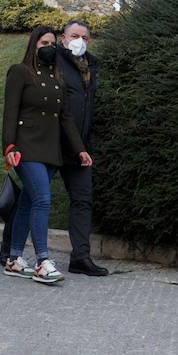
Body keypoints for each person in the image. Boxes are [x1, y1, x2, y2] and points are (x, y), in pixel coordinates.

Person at [0, 27, 89, 285]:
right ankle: (42, 261)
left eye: (52, 42)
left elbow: (66, 118)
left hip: (50, 150)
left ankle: (14, 258)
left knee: (28, 202)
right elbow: (9, 112)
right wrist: (9, 147)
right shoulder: (20, 71)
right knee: (42, 199)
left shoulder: (57, 77)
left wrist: (79, 149)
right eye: (43, 42)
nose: (48, 46)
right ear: (34, 44)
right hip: (25, 148)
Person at [55, 19, 108, 276]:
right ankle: (11, 250)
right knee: (34, 198)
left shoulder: (91, 67)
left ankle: (80, 256)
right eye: (74, 35)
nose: (79, 41)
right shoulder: (53, 60)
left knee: (83, 200)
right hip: (52, 143)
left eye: (85, 37)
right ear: (63, 37)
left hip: (82, 146)